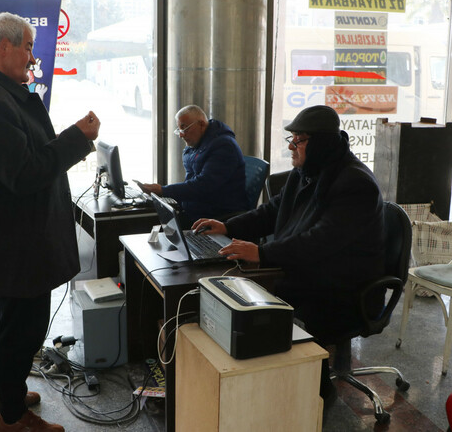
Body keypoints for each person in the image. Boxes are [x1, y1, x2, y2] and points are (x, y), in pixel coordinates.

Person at [0, 12, 100, 432]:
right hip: (16, 244)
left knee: (1, 321)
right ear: (5, 47)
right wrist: (77, 138)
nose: (33, 57)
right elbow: (25, 173)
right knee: (21, 332)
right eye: (29, 47)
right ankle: (13, 417)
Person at [192, 104, 385, 402]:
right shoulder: (307, 171)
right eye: (291, 139)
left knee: (260, 301)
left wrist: (263, 253)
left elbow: (320, 241)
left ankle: (316, 394)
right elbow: (271, 211)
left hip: (343, 288)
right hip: (310, 270)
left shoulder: (355, 184)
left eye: (299, 140)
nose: (292, 146)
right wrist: (228, 226)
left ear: (320, 143)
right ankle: (261, 386)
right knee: (238, 290)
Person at [138, 104, 248, 226]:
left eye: (184, 128)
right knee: (148, 217)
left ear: (201, 124)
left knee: (150, 224)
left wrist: (164, 190)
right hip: (195, 210)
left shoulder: (224, 146)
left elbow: (203, 186)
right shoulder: (195, 146)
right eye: (179, 129)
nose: (181, 134)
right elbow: (190, 182)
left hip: (216, 215)